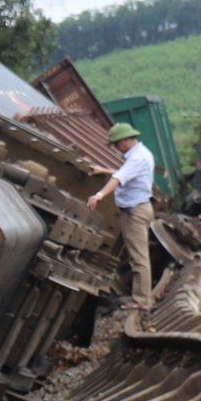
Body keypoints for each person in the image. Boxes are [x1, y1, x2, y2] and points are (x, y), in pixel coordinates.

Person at [88, 120, 156, 308]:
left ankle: (142, 301)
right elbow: (126, 172)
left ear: (125, 140)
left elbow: (119, 177)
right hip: (137, 209)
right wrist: (104, 170)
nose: (117, 148)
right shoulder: (140, 154)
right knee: (138, 256)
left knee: (138, 258)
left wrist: (99, 194)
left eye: (117, 144)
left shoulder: (137, 157)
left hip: (135, 212)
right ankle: (139, 297)